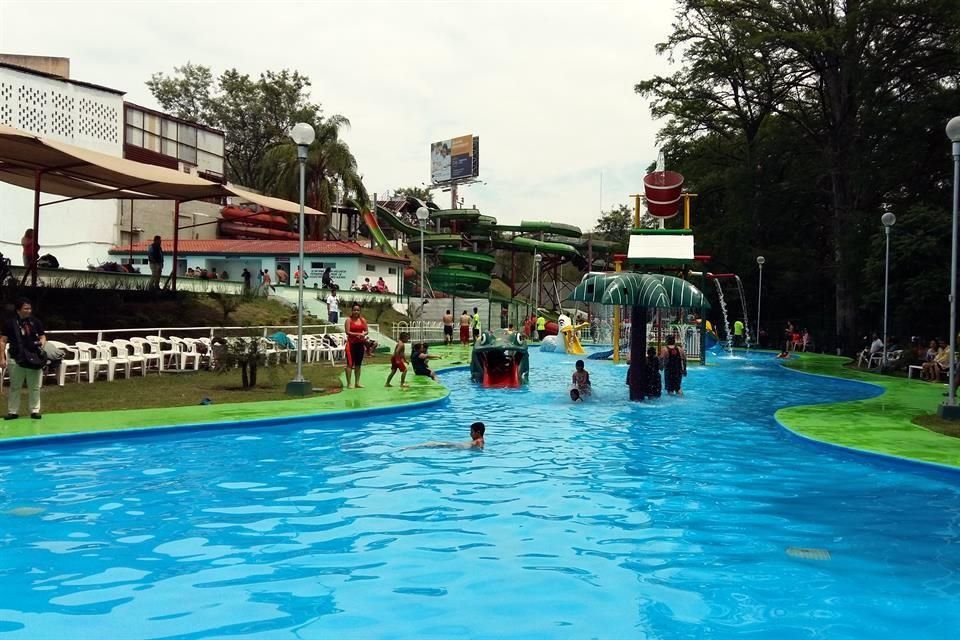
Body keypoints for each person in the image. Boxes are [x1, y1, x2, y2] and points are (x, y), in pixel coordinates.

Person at [1, 298, 47, 420]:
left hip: (34, 357)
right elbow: (3, 341)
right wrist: (2, 358)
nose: (28, 311)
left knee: (34, 386)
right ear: (18, 310)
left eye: (30, 308)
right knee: (15, 386)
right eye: (25, 308)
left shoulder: (35, 322)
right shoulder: (10, 323)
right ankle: (13, 411)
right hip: (16, 357)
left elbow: (43, 337)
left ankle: (35, 410)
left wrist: (40, 346)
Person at [404, 422, 485, 449]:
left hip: (458, 446)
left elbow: (478, 446)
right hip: (459, 445)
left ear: (478, 432)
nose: (470, 434)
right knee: (433, 443)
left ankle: (410, 447)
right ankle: (412, 447)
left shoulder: (478, 441)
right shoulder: (480, 440)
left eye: (471, 432)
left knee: (432, 443)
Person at [344, 304, 369, 388]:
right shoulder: (348, 320)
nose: (356, 312)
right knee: (350, 364)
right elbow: (347, 332)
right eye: (354, 310)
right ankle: (349, 383)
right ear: (352, 311)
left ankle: (357, 382)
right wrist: (357, 334)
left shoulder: (362, 320)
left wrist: (362, 334)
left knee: (358, 364)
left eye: (358, 310)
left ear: (360, 311)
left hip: (360, 344)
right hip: (351, 344)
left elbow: (366, 331)